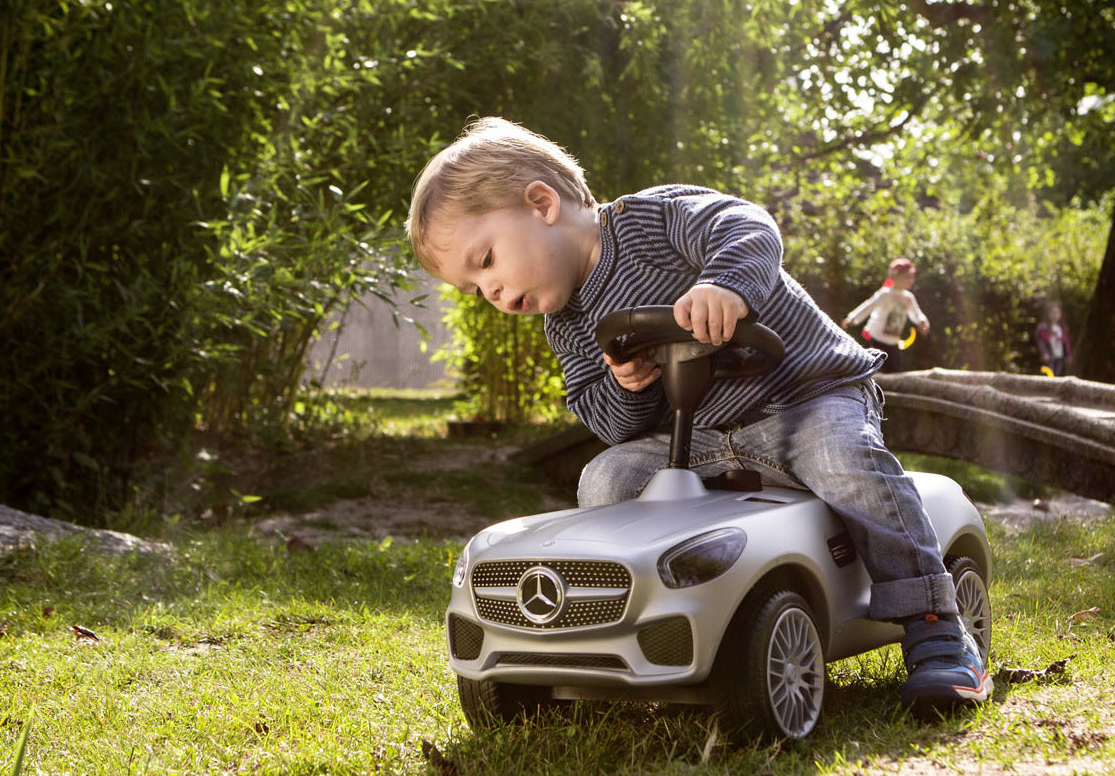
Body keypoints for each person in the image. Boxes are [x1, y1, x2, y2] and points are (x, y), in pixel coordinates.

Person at [405, 117, 990, 715]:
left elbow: (748, 226)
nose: (493, 293)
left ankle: (934, 624)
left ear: (541, 203)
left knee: (845, 460)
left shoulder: (653, 220)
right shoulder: (566, 321)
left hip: (805, 401)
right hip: (706, 439)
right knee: (606, 477)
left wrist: (725, 285)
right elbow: (607, 421)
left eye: (486, 261)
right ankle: (617, 632)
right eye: (476, 289)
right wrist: (625, 384)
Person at [840, 258, 930, 373]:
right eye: (906, 277)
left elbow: (916, 313)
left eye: (911, 277)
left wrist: (922, 322)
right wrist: (852, 318)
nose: (910, 280)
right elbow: (869, 306)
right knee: (875, 368)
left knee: (895, 370)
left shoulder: (908, 297)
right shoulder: (886, 294)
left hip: (893, 340)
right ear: (895, 277)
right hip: (877, 338)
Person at [1034, 300, 1071, 376]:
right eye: (1052, 313)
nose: (1055, 315)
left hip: (1060, 356)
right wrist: (1044, 353)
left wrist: (1068, 355)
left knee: (1057, 375)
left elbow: (1066, 343)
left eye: (1057, 313)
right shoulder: (1043, 328)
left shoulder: (1062, 328)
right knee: (1049, 374)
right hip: (1050, 356)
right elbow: (1041, 342)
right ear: (1048, 314)